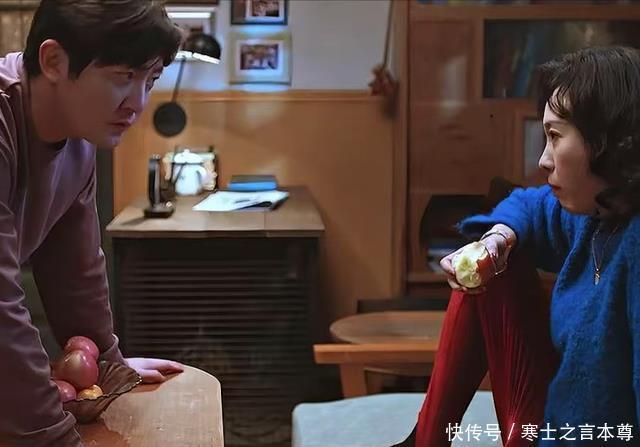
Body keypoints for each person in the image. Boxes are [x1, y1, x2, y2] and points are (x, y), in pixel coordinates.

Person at [398, 46, 640, 446]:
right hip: (551, 428)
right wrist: (496, 240)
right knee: (490, 265)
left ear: (610, 142)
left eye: (555, 137)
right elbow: (528, 204)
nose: (544, 160)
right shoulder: (595, 214)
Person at [0, 1, 185, 445]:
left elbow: (76, 272)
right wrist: (53, 435)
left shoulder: (79, 138)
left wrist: (105, 368)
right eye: (123, 76)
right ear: (54, 61)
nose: (138, 103)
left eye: (150, 81)